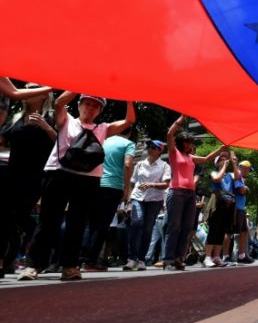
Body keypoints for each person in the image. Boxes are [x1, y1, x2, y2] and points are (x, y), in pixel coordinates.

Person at [18, 93, 135, 281]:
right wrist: (79, 85)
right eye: (87, 103)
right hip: (58, 173)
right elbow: (58, 102)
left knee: (78, 223)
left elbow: (130, 120)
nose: (90, 108)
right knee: (48, 220)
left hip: (88, 178)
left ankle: (70, 266)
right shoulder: (67, 119)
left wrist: (129, 96)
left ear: (100, 111)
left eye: (95, 106)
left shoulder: (103, 128)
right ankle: (33, 265)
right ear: (79, 105)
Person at [0, 84, 56, 277]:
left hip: (35, 178)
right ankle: (5, 262)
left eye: (33, 87)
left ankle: (34, 256)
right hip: (11, 176)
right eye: (27, 87)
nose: (28, 90)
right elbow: (3, 139)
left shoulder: (51, 117)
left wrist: (46, 127)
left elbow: (60, 143)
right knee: (6, 219)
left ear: (43, 95)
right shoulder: (16, 118)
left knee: (19, 219)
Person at [163, 115, 226, 271]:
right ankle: (169, 259)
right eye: (187, 141)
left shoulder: (190, 157)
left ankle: (179, 258)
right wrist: (182, 118)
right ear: (181, 142)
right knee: (174, 227)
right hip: (176, 192)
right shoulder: (173, 153)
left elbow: (206, 159)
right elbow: (170, 133)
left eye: (190, 142)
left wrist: (221, 149)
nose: (190, 144)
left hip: (190, 195)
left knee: (186, 228)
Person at [82, 126, 136, 271]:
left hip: (95, 183)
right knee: (103, 224)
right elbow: (128, 164)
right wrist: (127, 188)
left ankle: (81, 258)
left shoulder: (103, 141)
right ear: (129, 132)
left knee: (91, 223)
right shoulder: (128, 144)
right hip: (113, 186)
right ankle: (91, 261)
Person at [124, 140, 171, 271]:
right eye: (149, 147)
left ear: (160, 150)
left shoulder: (164, 166)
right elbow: (132, 183)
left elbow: (166, 184)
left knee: (148, 229)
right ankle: (131, 258)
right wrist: (128, 202)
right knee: (136, 223)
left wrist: (151, 185)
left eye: (153, 147)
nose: (150, 149)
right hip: (137, 197)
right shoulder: (140, 164)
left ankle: (141, 259)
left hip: (155, 200)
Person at [203, 150, 236, 267]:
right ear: (216, 163)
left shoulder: (230, 176)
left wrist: (234, 162)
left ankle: (216, 256)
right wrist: (225, 166)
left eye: (226, 159)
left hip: (228, 205)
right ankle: (207, 257)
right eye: (222, 159)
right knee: (214, 230)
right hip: (217, 203)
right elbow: (217, 179)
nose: (225, 161)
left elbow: (238, 177)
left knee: (222, 231)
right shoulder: (213, 172)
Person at [231, 159, 255, 264]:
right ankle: (226, 256)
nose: (248, 171)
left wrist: (245, 188)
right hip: (235, 208)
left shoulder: (241, 178)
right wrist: (246, 189)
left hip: (241, 208)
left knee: (244, 232)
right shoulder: (238, 176)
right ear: (241, 168)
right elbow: (241, 190)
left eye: (249, 169)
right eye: (247, 169)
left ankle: (242, 255)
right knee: (229, 232)